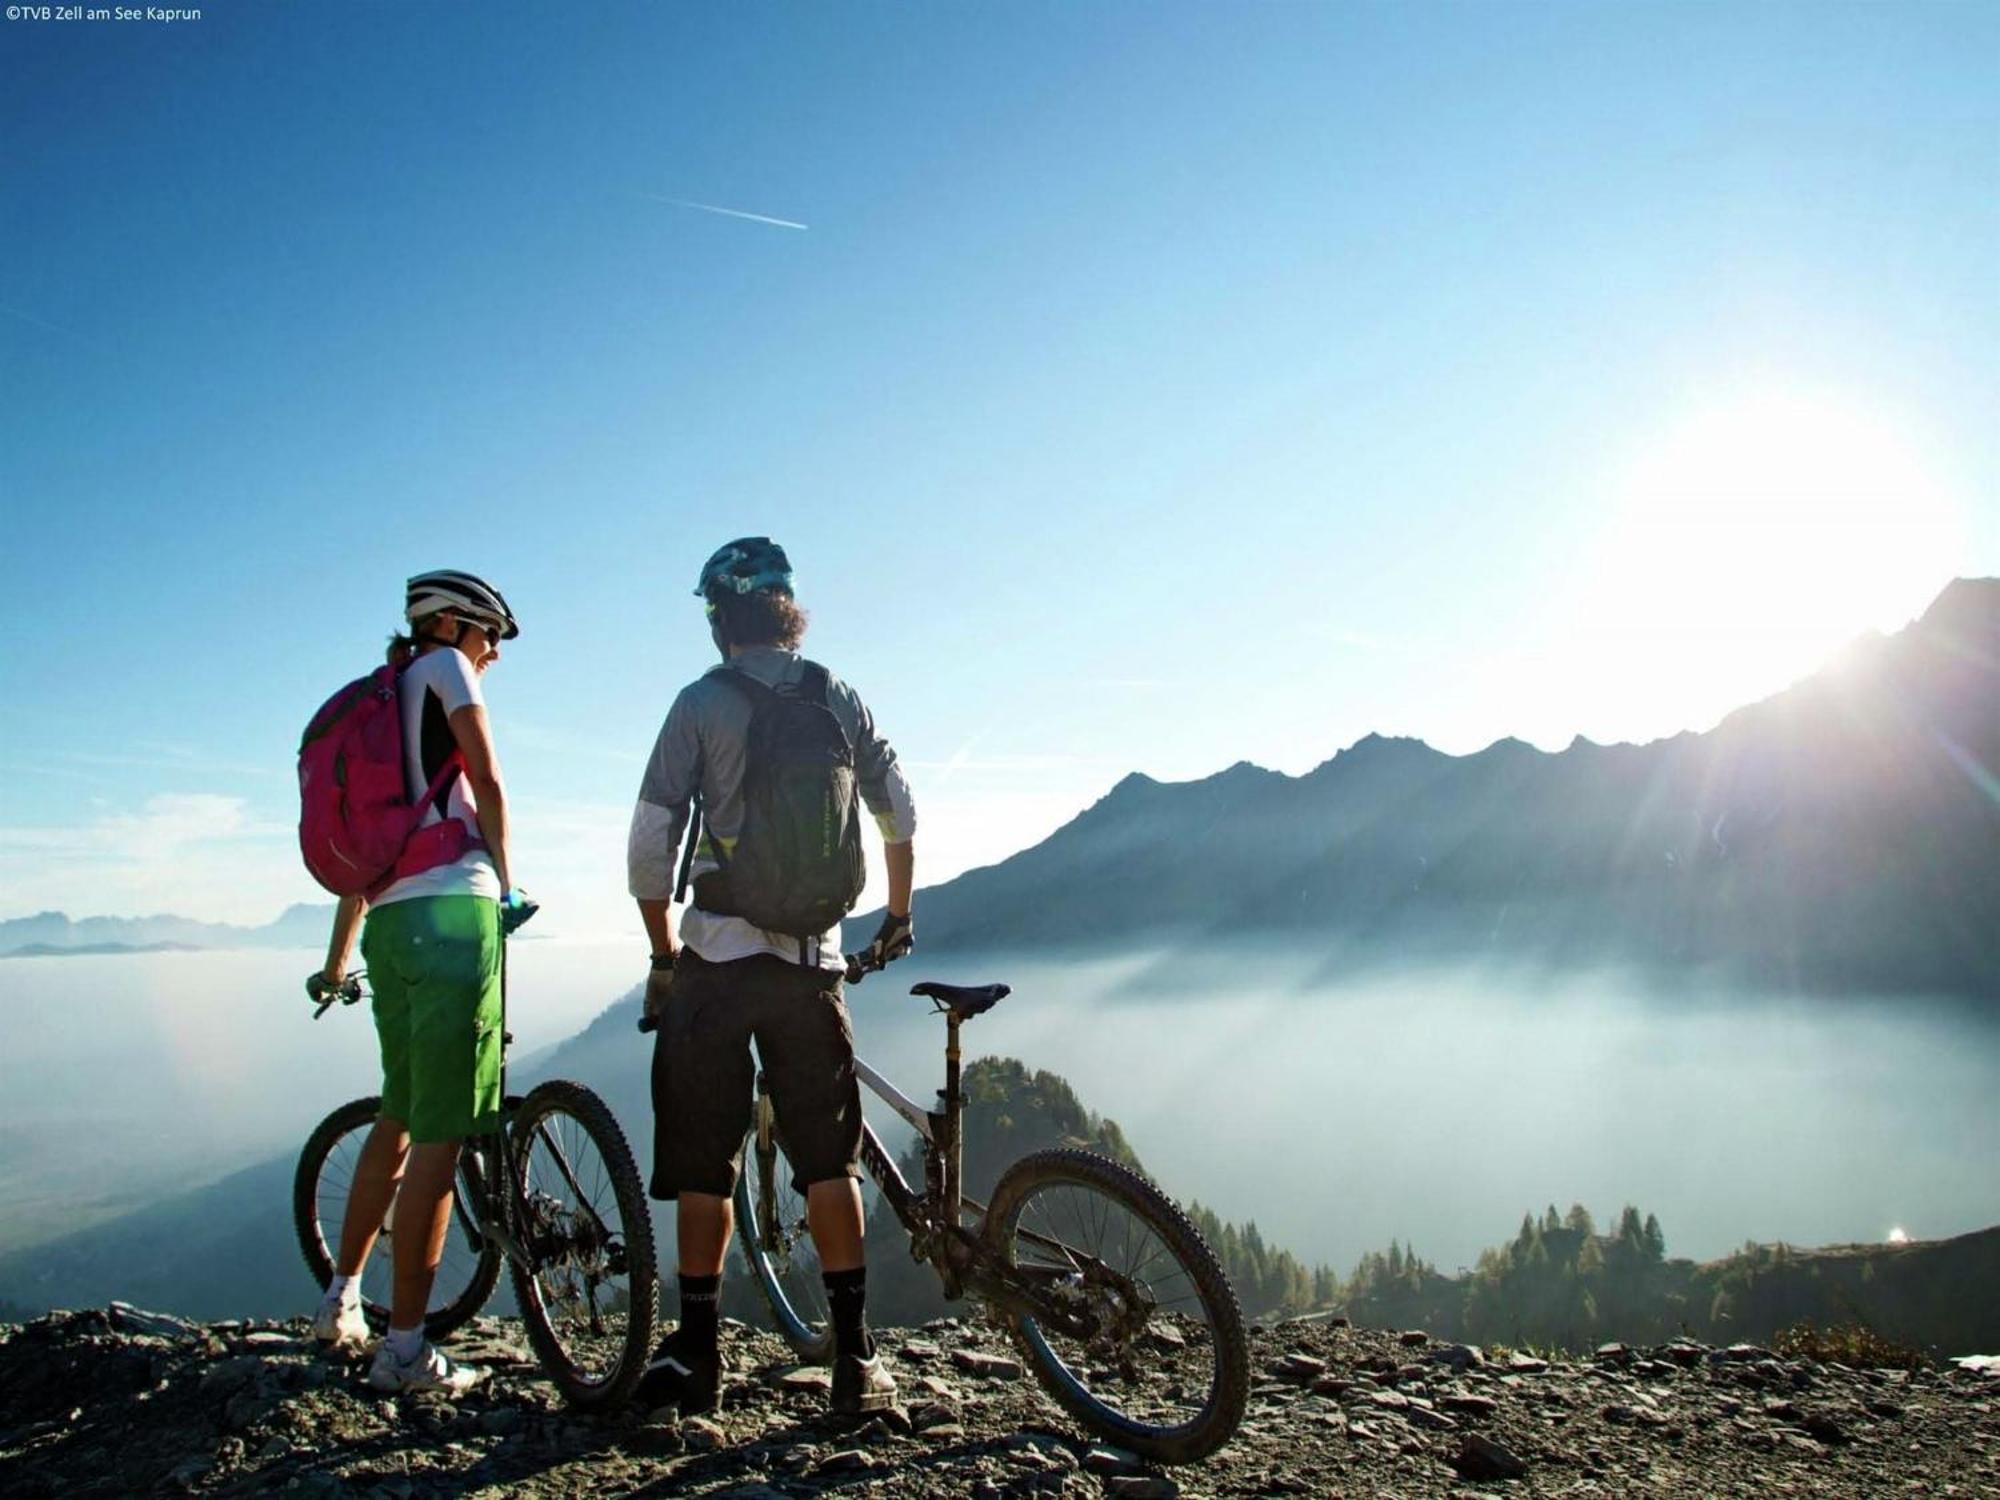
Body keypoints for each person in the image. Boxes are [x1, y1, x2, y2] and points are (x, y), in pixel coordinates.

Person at [628, 537, 917, 1417]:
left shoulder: (699, 704)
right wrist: (896, 917)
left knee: (704, 1163)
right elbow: (899, 811)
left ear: (721, 617)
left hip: (716, 963)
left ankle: (699, 1363)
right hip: (810, 965)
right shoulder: (837, 695)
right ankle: (856, 1360)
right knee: (829, 1161)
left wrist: (662, 956)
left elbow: (648, 851)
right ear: (790, 609)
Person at [308, 569, 520, 1396]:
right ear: (456, 624)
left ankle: (341, 1301)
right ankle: (405, 1350)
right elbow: (490, 783)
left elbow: (365, 857)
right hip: (453, 917)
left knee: (397, 1113)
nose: (493, 652)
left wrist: (337, 962)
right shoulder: (447, 673)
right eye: (490, 634)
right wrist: (508, 882)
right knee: (443, 1131)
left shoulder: (383, 696)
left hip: (391, 924)